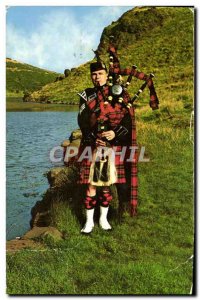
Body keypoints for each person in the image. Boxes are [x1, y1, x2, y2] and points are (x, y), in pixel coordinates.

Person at [77, 46, 159, 234]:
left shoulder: (118, 93)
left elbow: (127, 120)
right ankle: (89, 222)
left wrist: (115, 134)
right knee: (90, 184)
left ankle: (104, 220)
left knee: (106, 184)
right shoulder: (86, 95)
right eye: (94, 74)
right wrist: (91, 137)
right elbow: (82, 120)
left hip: (112, 146)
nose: (97, 77)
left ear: (106, 75)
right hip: (92, 146)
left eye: (100, 73)